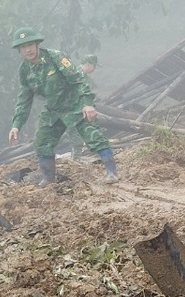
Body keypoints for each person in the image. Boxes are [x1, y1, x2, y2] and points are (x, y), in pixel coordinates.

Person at [7, 27, 119, 185]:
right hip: (54, 109)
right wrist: (16, 125)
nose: (28, 50)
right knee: (41, 141)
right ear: (19, 50)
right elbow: (24, 98)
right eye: (23, 47)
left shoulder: (55, 57)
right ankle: (48, 179)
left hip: (75, 105)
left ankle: (111, 172)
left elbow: (78, 78)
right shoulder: (25, 70)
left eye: (30, 45)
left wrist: (87, 103)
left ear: (37, 45)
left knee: (93, 137)